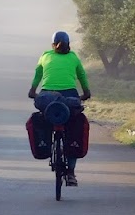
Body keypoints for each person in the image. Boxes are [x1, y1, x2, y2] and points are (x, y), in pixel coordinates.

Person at [28, 30, 91, 185]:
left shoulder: (45, 55)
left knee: (45, 118)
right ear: (69, 45)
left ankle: (46, 145)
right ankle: (71, 173)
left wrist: (32, 90)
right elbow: (82, 75)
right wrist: (86, 92)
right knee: (73, 128)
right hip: (70, 96)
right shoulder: (73, 57)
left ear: (52, 45)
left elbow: (38, 74)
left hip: (47, 96)